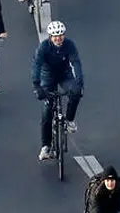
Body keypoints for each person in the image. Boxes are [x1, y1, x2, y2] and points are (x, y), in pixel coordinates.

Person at [31, 21, 83, 160]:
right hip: (47, 77)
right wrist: (37, 86)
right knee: (47, 112)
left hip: (64, 75)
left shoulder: (69, 45)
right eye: (55, 36)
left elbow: (76, 62)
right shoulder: (43, 47)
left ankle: (69, 120)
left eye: (60, 35)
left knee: (76, 93)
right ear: (50, 36)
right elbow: (36, 65)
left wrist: (79, 83)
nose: (58, 38)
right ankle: (46, 147)